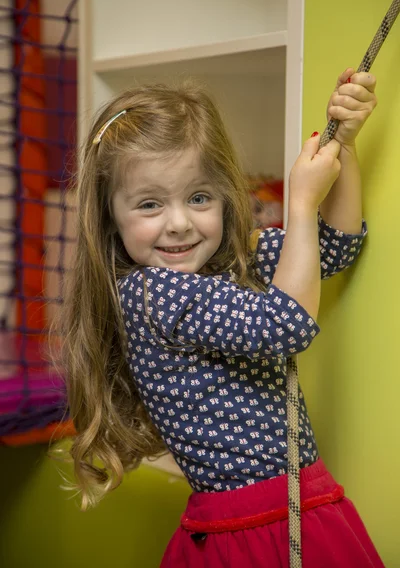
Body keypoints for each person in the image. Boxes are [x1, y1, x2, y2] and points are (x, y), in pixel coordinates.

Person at [58, 69, 384, 567]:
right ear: (110, 218)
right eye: (149, 204)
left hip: (296, 502)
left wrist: (345, 145)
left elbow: (333, 247)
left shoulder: (231, 263)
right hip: (254, 527)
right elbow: (285, 325)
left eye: (198, 197)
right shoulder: (153, 292)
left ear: (224, 195)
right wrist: (299, 201)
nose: (180, 222)